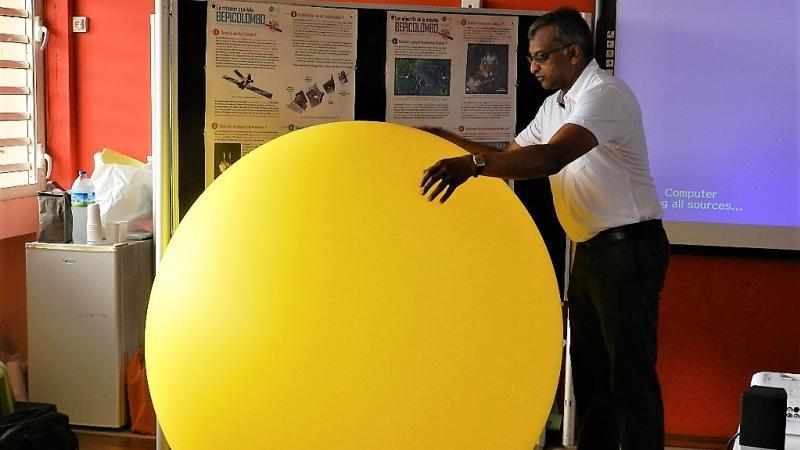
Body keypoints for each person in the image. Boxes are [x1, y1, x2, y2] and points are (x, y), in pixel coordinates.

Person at [419, 7, 669, 450]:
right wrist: (446, 140)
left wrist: (472, 165)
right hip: (592, 252)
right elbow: (514, 158)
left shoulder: (604, 95)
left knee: (628, 378)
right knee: (589, 377)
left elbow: (550, 158)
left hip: (628, 248)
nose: (532, 66)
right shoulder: (554, 106)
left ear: (573, 53)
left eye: (540, 57)